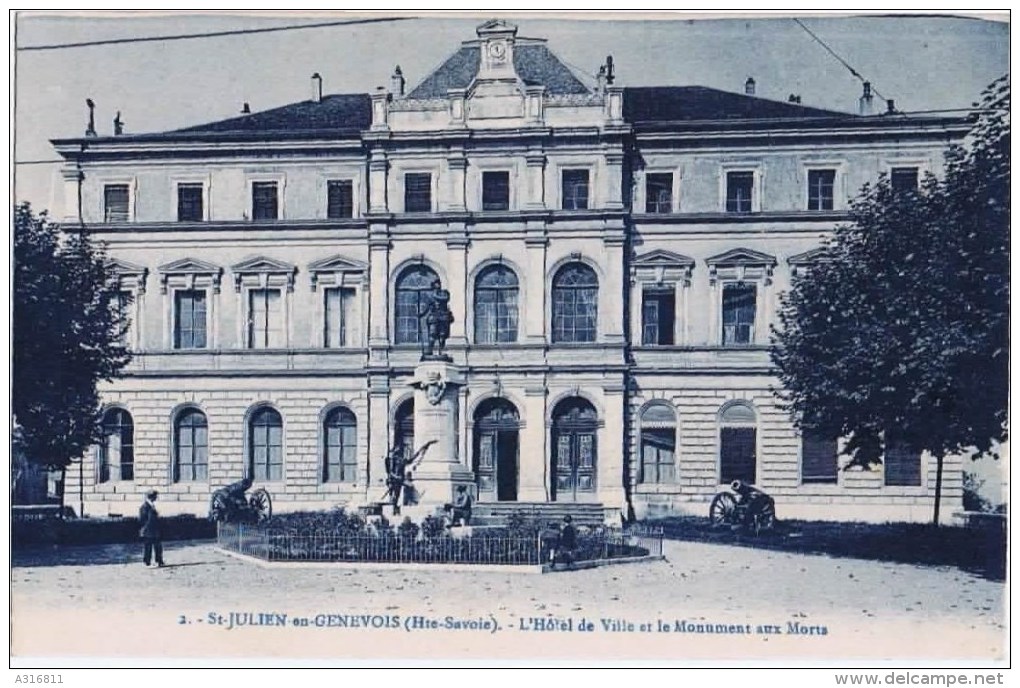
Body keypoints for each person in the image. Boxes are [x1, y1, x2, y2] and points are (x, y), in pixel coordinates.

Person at [139, 489, 165, 567]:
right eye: (155, 496)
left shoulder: (151, 505)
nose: (156, 498)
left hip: (154, 530)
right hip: (148, 530)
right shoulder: (145, 506)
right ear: (151, 497)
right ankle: (147, 562)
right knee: (148, 547)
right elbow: (142, 519)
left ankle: (159, 560)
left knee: (158, 546)